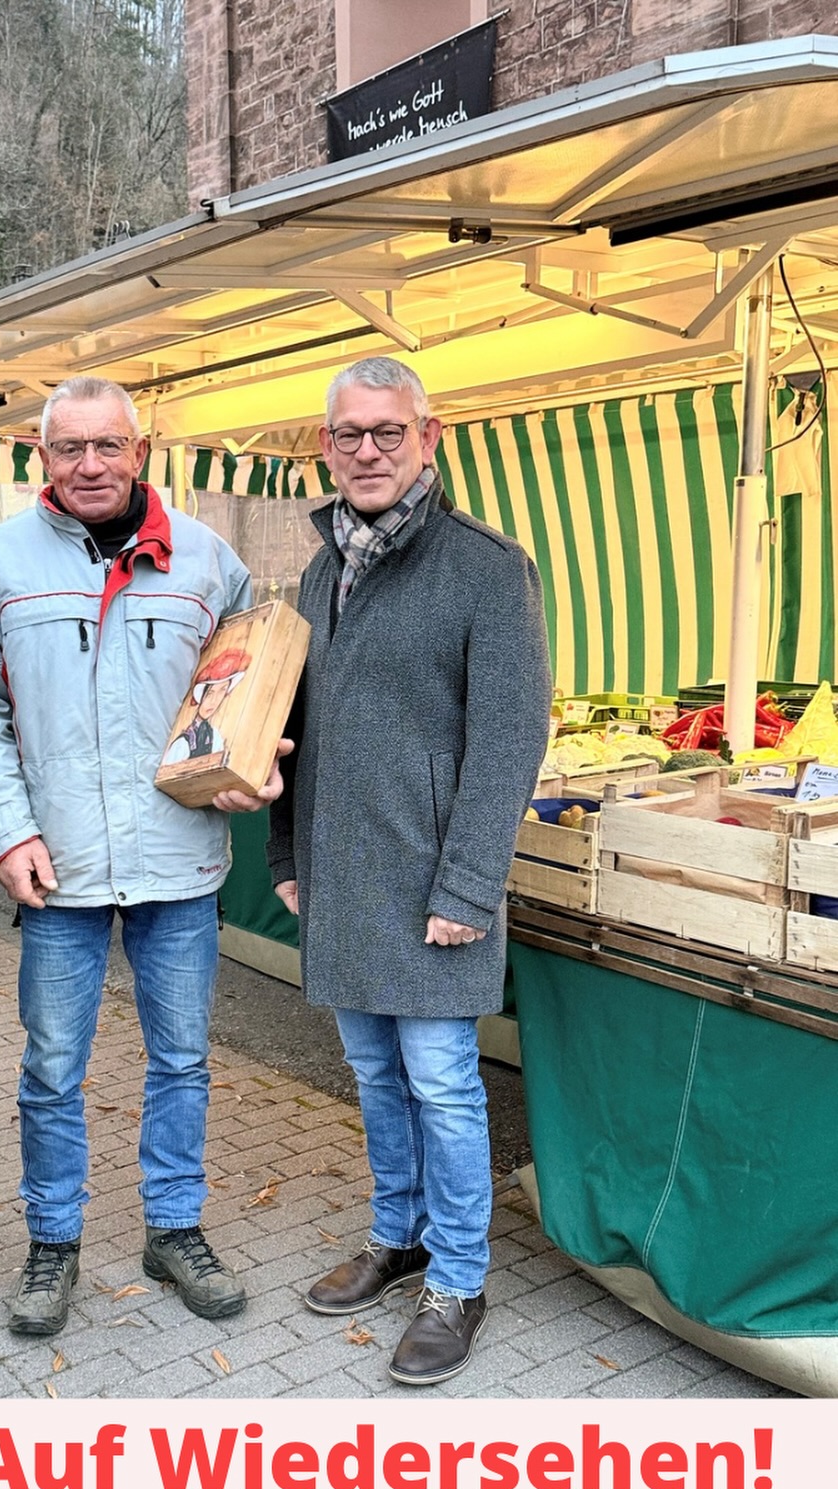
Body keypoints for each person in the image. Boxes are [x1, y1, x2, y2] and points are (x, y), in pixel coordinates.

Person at [0, 375, 287, 1338]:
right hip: (58, 872)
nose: (89, 464)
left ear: (142, 451)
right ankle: (53, 1243)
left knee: (180, 1061)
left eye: (108, 446)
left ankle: (173, 1229)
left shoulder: (209, 564)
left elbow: (243, 693)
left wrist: (250, 760)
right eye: (69, 448)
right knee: (54, 1068)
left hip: (180, 861)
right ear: (39, 455)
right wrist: (7, 832)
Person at [268, 356, 550, 1387]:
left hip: (436, 881)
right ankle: (402, 1237)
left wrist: (470, 887)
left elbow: (510, 738)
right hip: (344, 873)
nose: (370, 449)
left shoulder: (488, 566)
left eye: (390, 431)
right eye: (351, 433)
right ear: (327, 444)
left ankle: (460, 1278)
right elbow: (299, 725)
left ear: (429, 438)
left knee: (440, 1080)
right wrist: (289, 855)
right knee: (376, 1076)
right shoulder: (317, 566)